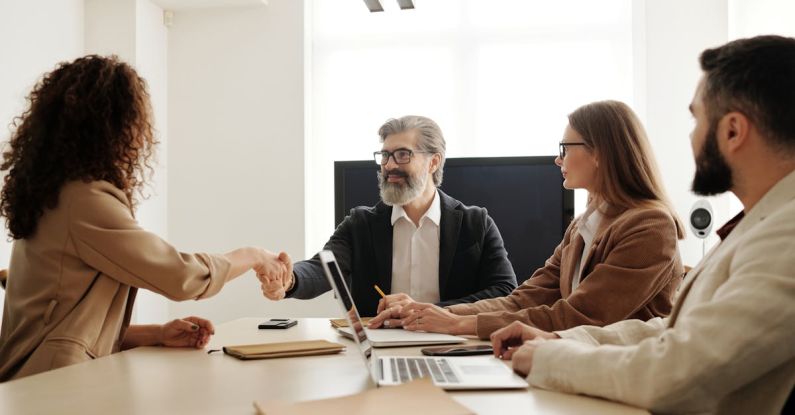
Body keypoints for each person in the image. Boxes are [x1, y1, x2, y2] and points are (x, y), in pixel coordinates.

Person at [490, 35, 795, 415]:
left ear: (733, 131)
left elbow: (680, 372)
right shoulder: (761, 222)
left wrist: (550, 359)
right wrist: (560, 339)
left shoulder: (786, 237)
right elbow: (671, 329)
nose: (691, 136)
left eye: (696, 118)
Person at [0, 55, 291, 382]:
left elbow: (63, 322)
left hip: (40, 379)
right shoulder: (83, 201)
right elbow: (180, 276)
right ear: (112, 125)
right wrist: (253, 255)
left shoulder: (54, 194)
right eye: (136, 122)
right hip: (51, 385)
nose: (141, 136)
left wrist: (155, 333)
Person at [369, 101, 685, 339]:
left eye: (565, 147)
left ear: (600, 152)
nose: (558, 159)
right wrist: (436, 314)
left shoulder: (649, 226)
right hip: (576, 365)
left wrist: (461, 323)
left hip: (621, 382)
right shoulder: (582, 226)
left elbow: (582, 315)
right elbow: (524, 298)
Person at [259, 115, 517, 316]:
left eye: (402, 154)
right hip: (380, 345)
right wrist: (289, 279)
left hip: (453, 343)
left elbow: (505, 292)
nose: (389, 165)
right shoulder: (360, 224)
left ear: (433, 162)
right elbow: (322, 269)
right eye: (385, 155)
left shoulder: (476, 223)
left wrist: (429, 311)